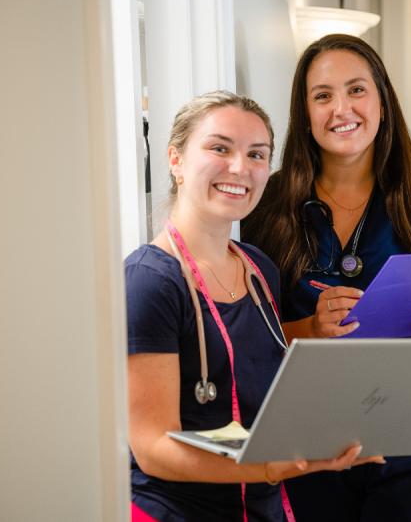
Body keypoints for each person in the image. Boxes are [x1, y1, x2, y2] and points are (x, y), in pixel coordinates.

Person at [242, 34, 411, 521]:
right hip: (309, 441)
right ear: (304, 111)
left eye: (356, 90)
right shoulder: (266, 208)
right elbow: (245, 341)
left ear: (382, 101)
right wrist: (310, 330)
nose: (341, 109)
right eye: (322, 95)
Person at [125, 90, 382, 522]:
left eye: (257, 154)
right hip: (177, 512)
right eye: (219, 148)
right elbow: (152, 449)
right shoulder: (151, 280)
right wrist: (268, 467)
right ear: (175, 160)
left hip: (262, 507)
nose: (240, 168)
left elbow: (264, 394)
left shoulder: (259, 269)